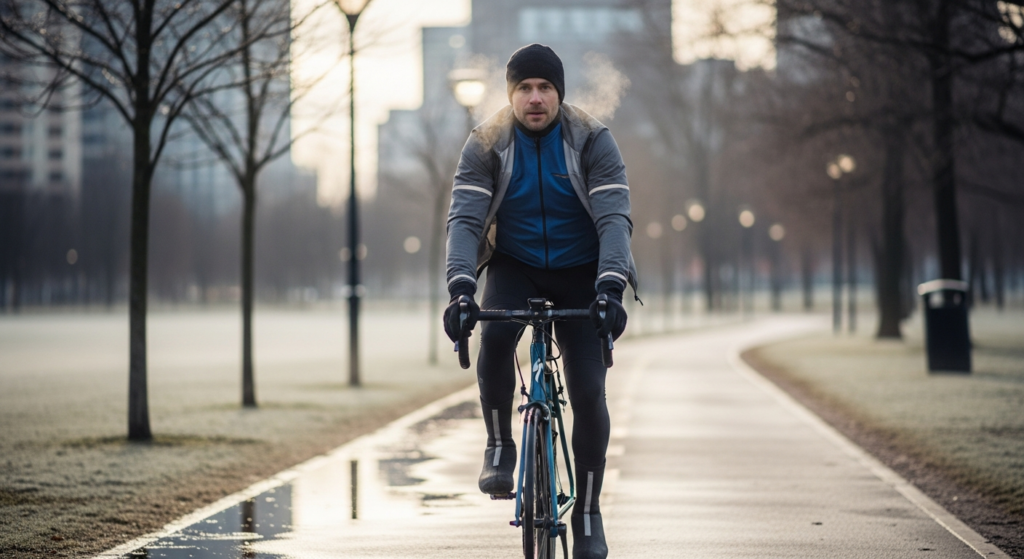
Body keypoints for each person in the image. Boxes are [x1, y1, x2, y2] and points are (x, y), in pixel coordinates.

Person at [443, 43, 637, 559]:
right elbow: (464, 221)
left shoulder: (592, 139)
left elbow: (614, 219)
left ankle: (590, 513)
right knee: (497, 331)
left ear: (559, 94)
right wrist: (461, 288)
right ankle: (500, 444)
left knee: (589, 390)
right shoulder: (485, 142)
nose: (535, 98)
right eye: (524, 88)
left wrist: (610, 287)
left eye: (545, 88)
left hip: (583, 270)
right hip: (516, 263)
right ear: (510, 95)